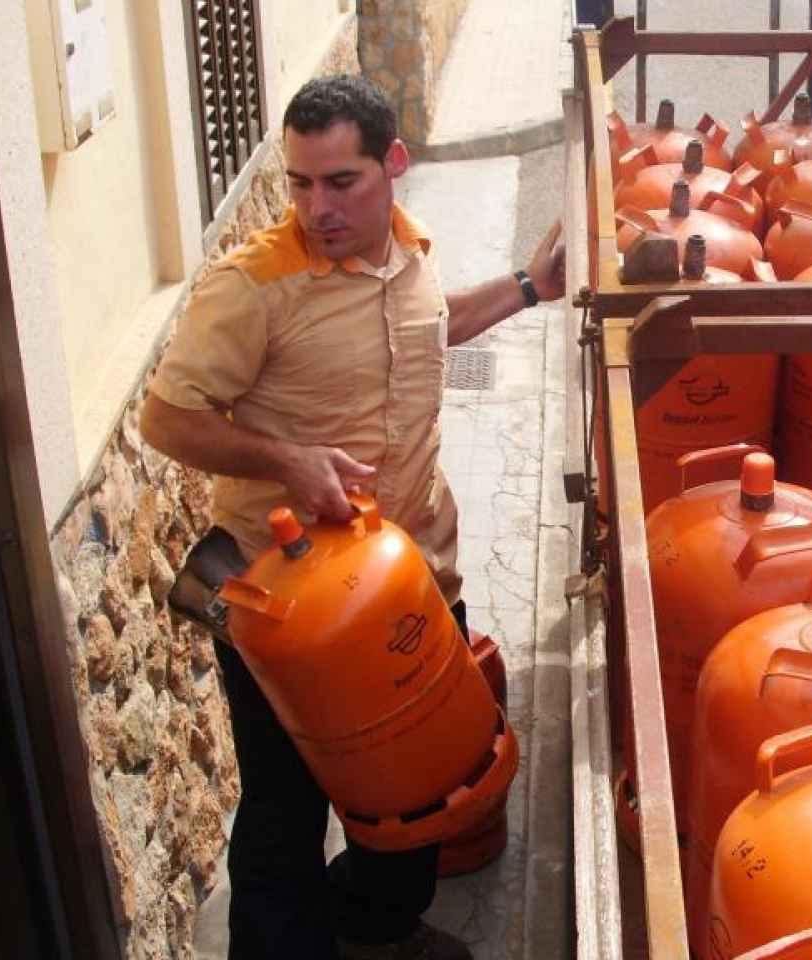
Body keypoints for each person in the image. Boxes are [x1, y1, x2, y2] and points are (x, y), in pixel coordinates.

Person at [140, 74, 564, 960]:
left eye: (342, 182)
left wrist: (530, 286)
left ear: (394, 165)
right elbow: (166, 418)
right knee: (285, 809)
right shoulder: (255, 285)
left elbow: (434, 328)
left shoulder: (410, 251)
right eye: (300, 183)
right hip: (294, 612)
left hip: (411, 578)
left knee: (418, 786)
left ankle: (374, 929)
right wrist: (286, 459)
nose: (317, 207)